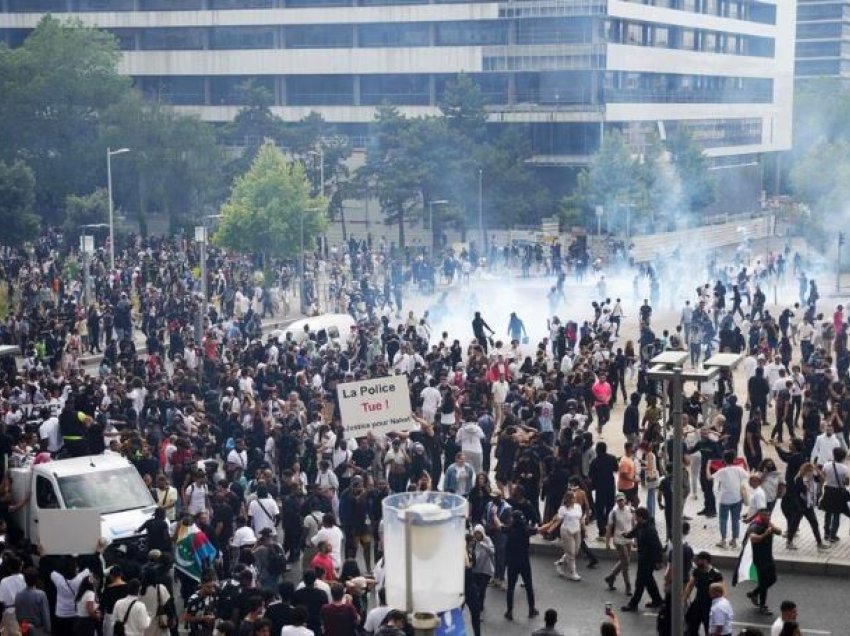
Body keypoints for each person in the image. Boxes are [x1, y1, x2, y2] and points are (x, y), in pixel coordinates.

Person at [621, 507, 663, 612]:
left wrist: (658, 561)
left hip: (648, 560)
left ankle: (633, 604)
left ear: (640, 517)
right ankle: (657, 600)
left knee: (640, 582)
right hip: (643, 557)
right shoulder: (641, 525)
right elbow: (634, 532)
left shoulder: (650, 529)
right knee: (649, 581)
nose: (634, 518)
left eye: (636, 516)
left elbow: (657, 546)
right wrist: (627, 535)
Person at [744, 508, 781, 616]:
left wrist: (772, 527)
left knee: (773, 579)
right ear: (760, 515)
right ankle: (762, 606)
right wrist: (765, 534)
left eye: (769, 515)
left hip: (769, 557)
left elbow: (779, 532)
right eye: (765, 515)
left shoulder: (768, 524)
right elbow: (753, 539)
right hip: (759, 559)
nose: (767, 517)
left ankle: (754, 593)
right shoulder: (755, 525)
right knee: (764, 582)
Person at [503, 509, 538, 621]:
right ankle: (531, 609)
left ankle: (509, 611)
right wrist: (554, 522)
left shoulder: (509, 530)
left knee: (511, 588)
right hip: (524, 562)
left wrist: (494, 515)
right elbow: (541, 529)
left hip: (512, 563)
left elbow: (498, 525)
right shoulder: (526, 530)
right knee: (528, 586)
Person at [710, 450, 749, 549]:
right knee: (735, 520)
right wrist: (746, 463)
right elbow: (747, 475)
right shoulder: (739, 469)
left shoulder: (722, 471)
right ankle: (734, 540)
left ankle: (723, 540)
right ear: (734, 459)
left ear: (724, 460)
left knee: (723, 520)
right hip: (737, 498)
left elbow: (709, 478)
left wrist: (707, 465)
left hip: (724, 499)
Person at [683, 551, 724, 636]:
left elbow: (721, 591)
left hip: (710, 605)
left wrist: (720, 607)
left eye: (699, 560)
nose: (697, 562)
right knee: (691, 627)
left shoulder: (716, 574)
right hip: (698, 603)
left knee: (708, 629)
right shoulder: (697, 571)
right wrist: (684, 599)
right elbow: (690, 585)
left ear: (706, 561)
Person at [603, 493, 634, 595]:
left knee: (625, 561)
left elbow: (633, 524)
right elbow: (609, 528)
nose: (621, 502)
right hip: (619, 539)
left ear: (625, 500)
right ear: (616, 502)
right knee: (625, 563)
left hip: (629, 539)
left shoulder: (631, 510)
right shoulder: (613, 513)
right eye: (619, 500)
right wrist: (607, 543)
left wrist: (635, 539)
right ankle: (628, 586)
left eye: (622, 500)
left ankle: (611, 577)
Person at [14, 568, 51, 636]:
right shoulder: (41, 595)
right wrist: (48, 630)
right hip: (38, 630)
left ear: (25, 580)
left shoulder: (18, 595)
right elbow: (45, 615)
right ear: (37, 580)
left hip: (24, 629)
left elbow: (17, 614)